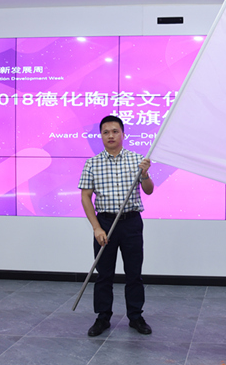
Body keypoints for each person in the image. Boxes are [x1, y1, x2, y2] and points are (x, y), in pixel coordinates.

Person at [78, 115, 154, 337]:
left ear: (123, 134)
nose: (110, 135)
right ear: (101, 136)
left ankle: (136, 317)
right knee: (104, 274)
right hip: (105, 223)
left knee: (134, 273)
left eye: (115, 131)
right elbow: (85, 197)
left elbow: (149, 190)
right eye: (106, 132)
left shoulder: (137, 160)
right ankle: (102, 317)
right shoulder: (92, 163)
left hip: (131, 223)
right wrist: (96, 228)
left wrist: (145, 174)